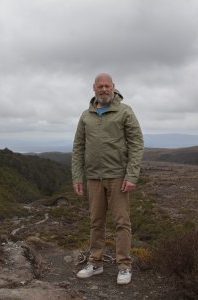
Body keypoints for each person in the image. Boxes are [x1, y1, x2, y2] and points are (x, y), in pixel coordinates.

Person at [71, 73, 144, 285]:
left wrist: (131, 175)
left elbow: (136, 143)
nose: (104, 89)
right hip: (93, 177)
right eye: (100, 86)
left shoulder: (124, 111)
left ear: (113, 87)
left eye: (107, 86)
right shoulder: (86, 116)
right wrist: (78, 176)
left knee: (122, 222)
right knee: (96, 222)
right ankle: (96, 262)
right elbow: (78, 148)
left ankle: (124, 266)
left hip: (118, 176)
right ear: (93, 88)